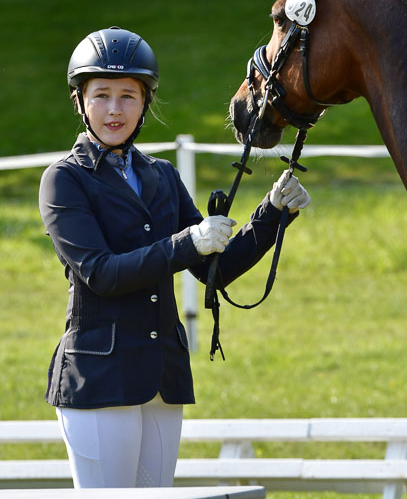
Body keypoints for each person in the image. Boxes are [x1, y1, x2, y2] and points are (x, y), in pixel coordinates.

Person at [39, 26, 311, 489]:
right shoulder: (63, 181)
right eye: (101, 95)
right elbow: (101, 274)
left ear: (144, 104)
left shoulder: (162, 176)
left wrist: (271, 214)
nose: (114, 109)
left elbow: (214, 269)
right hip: (100, 377)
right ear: (80, 101)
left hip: (162, 375)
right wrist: (187, 243)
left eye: (128, 96)